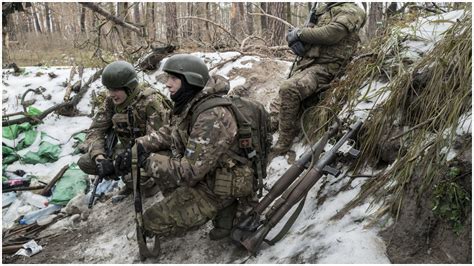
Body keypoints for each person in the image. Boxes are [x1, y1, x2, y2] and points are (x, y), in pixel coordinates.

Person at [130, 54, 258, 241]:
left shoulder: (211, 115)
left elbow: (189, 172)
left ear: (191, 81)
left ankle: (228, 209)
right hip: (210, 173)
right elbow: (171, 132)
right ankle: (216, 211)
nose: (167, 83)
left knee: (150, 222)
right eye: (167, 78)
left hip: (222, 184)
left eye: (174, 78)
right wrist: (138, 145)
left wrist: (145, 161)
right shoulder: (191, 102)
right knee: (161, 154)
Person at [272, 2, 366, 156]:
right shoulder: (323, 10)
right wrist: (297, 38)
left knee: (289, 88)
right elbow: (312, 34)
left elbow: (332, 33)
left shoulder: (352, 10)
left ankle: (284, 143)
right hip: (307, 65)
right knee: (273, 115)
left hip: (328, 68)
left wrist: (300, 33)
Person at [77, 60, 171, 198]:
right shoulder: (111, 102)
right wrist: (100, 157)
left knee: (132, 177)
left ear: (129, 87)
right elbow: (95, 131)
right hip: (128, 151)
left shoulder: (150, 102)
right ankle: (131, 180)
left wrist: (128, 158)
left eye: (115, 90)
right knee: (85, 162)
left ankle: (151, 184)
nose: (111, 94)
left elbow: (158, 141)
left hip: (152, 152)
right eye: (109, 89)